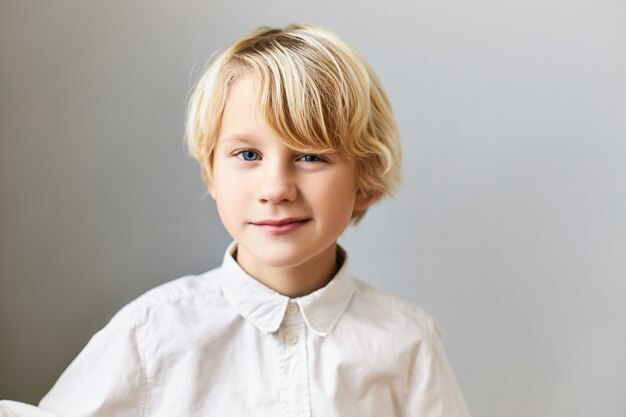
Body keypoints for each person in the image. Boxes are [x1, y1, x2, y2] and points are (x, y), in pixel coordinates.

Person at [0, 23, 470, 417]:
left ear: (364, 179)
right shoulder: (151, 333)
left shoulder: (408, 345)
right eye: (248, 154)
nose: (275, 188)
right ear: (211, 174)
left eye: (309, 155)